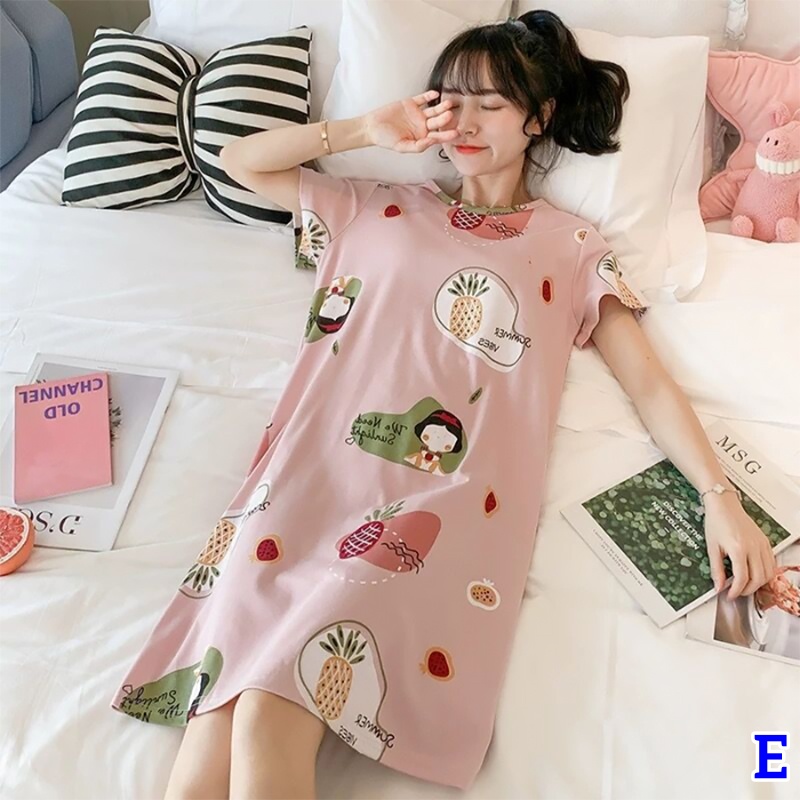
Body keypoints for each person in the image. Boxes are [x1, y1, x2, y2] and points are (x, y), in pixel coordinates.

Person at [110, 10, 779, 799]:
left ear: (539, 118)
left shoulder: (569, 246)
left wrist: (718, 497)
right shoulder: (374, 204)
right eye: (448, 102)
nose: (463, 122)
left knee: (264, 706)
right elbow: (238, 162)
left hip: (432, 500)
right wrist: (363, 129)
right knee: (213, 713)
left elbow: (649, 382)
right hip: (303, 478)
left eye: (490, 105)